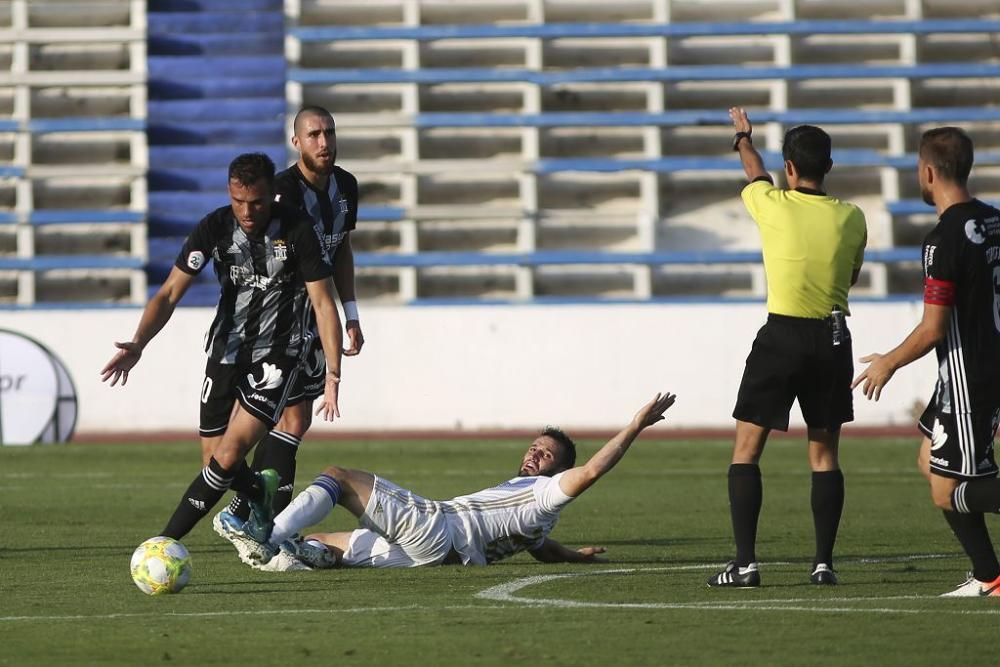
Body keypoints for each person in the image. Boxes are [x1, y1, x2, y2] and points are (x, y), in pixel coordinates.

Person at [100, 152, 345, 542]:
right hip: (225, 350)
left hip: (278, 356)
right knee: (213, 461)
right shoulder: (214, 226)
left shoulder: (297, 229)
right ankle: (259, 492)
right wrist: (139, 343)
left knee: (229, 455)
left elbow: (322, 302)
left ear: (272, 195)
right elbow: (168, 294)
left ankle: (162, 542)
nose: (247, 211)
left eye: (257, 202)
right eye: (238, 201)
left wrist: (332, 372)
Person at [216, 392, 676, 570]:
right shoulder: (537, 519)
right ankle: (270, 557)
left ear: (558, 471)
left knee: (338, 477)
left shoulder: (543, 496)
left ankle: (267, 536)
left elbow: (593, 470)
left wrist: (634, 425)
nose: (534, 454)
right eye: (534, 447)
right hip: (439, 558)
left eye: (546, 454)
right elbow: (542, 549)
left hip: (438, 528)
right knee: (324, 544)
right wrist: (579, 556)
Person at [707, 108, 868, 588]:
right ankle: (823, 564)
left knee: (746, 451)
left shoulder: (772, 203)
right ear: (830, 167)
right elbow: (852, 277)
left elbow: (753, 171)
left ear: (789, 169)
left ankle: (746, 564)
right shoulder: (852, 217)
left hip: (782, 336)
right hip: (832, 337)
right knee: (824, 455)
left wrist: (742, 137)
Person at [853, 127, 1000, 597]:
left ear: (929, 172)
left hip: (969, 376)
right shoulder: (995, 222)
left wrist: (888, 364)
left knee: (945, 489)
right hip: (977, 369)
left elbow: (934, 329)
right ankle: (988, 575)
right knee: (928, 459)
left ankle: (990, 576)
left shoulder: (942, 240)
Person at [221, 106, 364, 531]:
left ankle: (251, 512)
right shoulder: (280, 192)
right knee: (283, 419)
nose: (324, 142)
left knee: (296, 420)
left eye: (329, 133)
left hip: (316, 320)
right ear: (296, 142)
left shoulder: (347, 186)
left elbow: (340, 250)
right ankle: (255, 514)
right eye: (314, 134)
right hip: (276, 321)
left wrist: (350, 312)